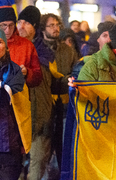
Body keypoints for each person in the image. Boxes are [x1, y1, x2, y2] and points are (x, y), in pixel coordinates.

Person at [0, 25, 28, 180]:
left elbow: (22, 105)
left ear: (6, 44)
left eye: (0, 42)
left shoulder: (15, 71)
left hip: (9, 149)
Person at [17, 6, 54, 180]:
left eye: (26, 23)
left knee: (37, 167)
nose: (21, 26)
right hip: (18, 119)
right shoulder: (10, 50)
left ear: (35, 27)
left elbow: (52, 83)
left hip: (41, 119)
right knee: (14, 168)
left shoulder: (46, 53)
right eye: (19, 22)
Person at [40, 13, 78, 175]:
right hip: (44, 106)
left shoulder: (67, 50)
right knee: (42, 155)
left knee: (64, 150)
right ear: (43, 28)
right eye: (51, 25)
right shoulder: (38, 49)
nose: (56, 28)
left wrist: (69, 81)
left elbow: (75, 72)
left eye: (57, 25)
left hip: (63, 105)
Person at [0, 0, 42, 88]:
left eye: (11, 25)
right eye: (3, 26)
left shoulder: (27, 46)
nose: (7, 30)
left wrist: (27, 73)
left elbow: (38, 77)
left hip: (18, 99)